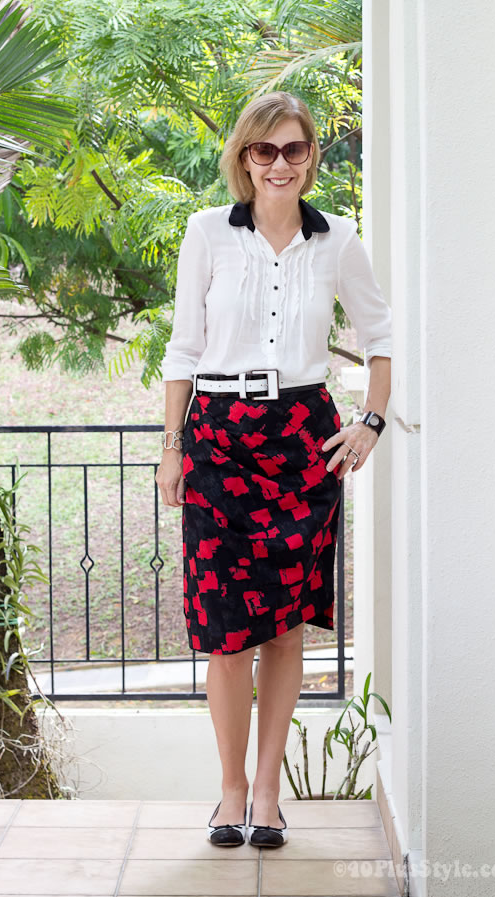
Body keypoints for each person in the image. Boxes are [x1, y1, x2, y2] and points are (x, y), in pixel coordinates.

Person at [155, 91, 391, 849]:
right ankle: (228, 791)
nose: (280, 164)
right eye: (266, 151)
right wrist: (172, 445)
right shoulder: (206, 234)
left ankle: (267, 793)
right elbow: (183, 347)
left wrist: (370, 421)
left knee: (286, 631)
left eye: (295, 150)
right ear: (244, 158)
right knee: (228, 634)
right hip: (219, 437)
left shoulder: (340, 240)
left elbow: (381, 335)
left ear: (311, 157)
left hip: (301, 439)